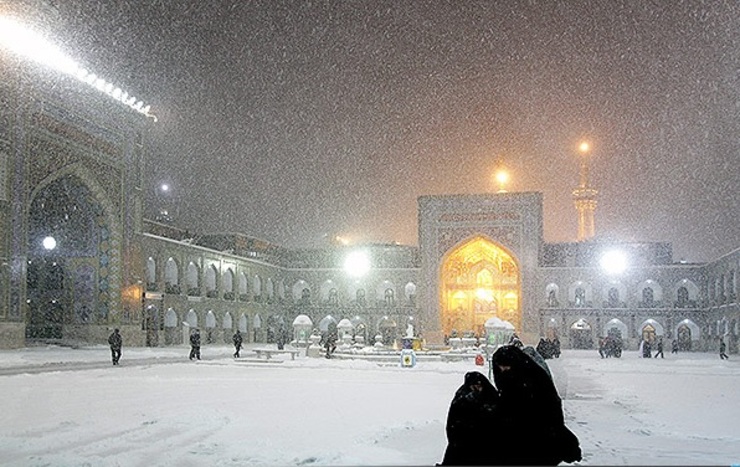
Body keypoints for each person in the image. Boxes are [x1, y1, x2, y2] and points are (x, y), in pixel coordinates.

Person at [489, 345, 582, 465]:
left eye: (506, 367)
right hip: (516, 435)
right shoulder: (508, 376)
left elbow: (550, 406)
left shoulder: (535, 377)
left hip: (538, 434)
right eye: (500, 368)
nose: (503, 371)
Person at [440, 371, 499, 465]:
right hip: (464, 442)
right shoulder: (462, 399)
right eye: (474, 386)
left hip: (487, 442)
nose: (477, 389)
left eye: (479, 386)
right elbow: (453, 422)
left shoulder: (490, 395)